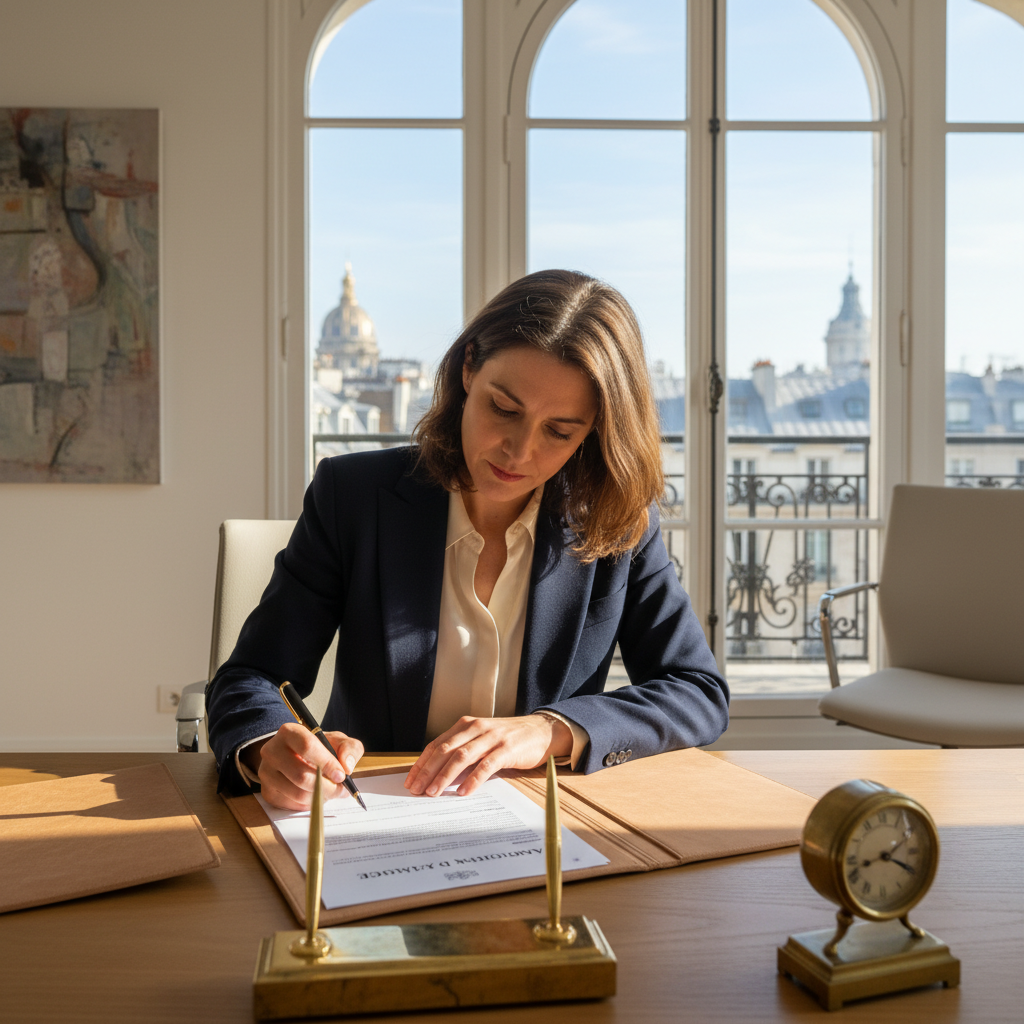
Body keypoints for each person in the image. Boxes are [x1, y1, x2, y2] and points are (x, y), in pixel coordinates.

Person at [207, 269, 728, 808]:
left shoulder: (616, 521)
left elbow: (697, 692)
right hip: (371, 816)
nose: (519, 451)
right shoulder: (352, 496)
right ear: (468, 368)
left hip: (545, 824)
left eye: (559, 431)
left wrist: (549, 729)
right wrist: (267, 747)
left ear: (594, 430)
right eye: (504, 409)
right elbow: (252, 676)